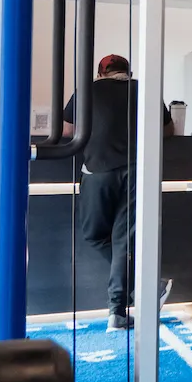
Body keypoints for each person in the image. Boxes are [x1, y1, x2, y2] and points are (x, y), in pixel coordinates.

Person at [68, 54, 171, 329]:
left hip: (98, 170)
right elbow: (168, 130)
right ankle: (137, 294)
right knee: (123, 240)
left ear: (101, 73)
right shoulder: (144, 89)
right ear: (128, 72)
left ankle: (119, 310)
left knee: (94, 234)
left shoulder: (87, 89)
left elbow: (67, 130)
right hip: (137, 172)